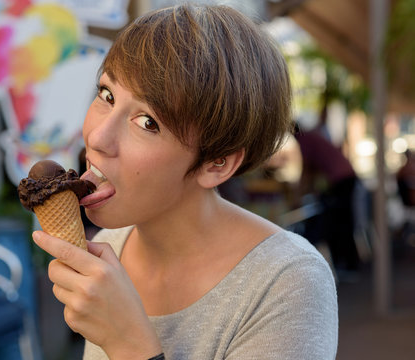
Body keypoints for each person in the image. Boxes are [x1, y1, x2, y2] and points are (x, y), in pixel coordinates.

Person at [32, 4, 338, 359]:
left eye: (148, 122)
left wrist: (127, 343)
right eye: (107, 95)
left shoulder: (287, 281)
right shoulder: (110, 246)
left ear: (216, 164)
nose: (98, 136)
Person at [293, 122, 361, 273]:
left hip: (341, 179)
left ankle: (347, 263)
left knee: (338, 221)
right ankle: (349, 262)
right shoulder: (312, 137)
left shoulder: (305, 141)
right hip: (344, 177)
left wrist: (299, 193)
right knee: (342, 220)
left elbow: (307, 171)